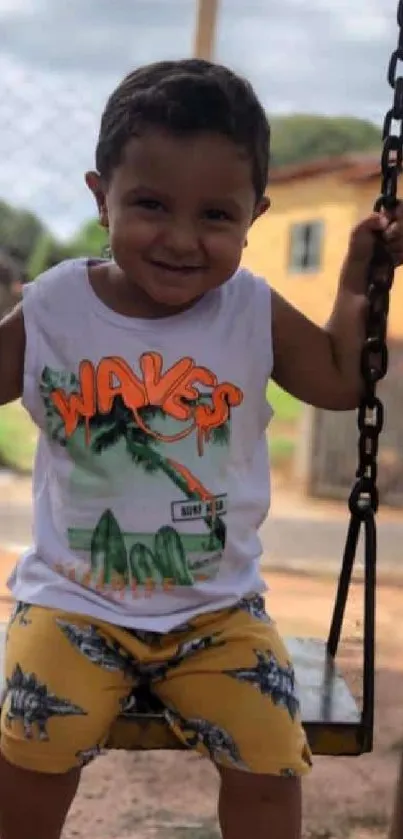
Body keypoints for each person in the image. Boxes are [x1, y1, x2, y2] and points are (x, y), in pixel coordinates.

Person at [0, 58, 401, 839]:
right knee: (31, 743)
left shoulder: (248, 306)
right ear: (99, 198)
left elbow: (334, 380)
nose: (181, 239)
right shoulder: (55, 305)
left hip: (218, 611)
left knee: (267, 753)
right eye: (149, 204)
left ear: (254, 214)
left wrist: (357, 281)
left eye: (216, 216)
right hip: (72, 603)